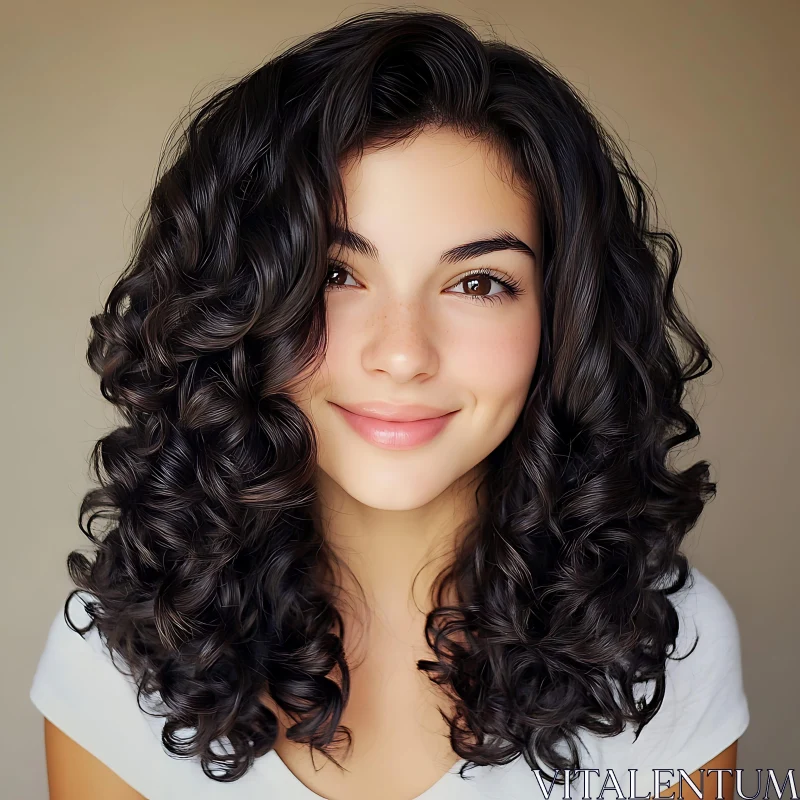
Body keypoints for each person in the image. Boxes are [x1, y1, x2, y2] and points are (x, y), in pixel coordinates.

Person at [29, 9, 749, 800]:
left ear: (563, 320)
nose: (403, 352)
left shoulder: (668, 646)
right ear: (238, 301)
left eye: (479, 283)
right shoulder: (112, 657)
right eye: (337, 274)